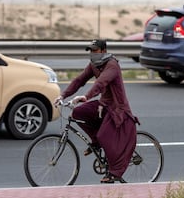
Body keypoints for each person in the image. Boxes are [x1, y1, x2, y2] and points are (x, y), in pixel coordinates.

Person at [54, 39, 138, 183]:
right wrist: (63, 95)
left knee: (104, 135)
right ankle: (96, 142)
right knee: (78, 113)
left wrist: (86, 96)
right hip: (103, 104)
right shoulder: (94, 65)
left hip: (117, 108)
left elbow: (101, 83)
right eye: (91, 51)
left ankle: (114, 172)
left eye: (95, 51)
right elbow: (79, 80)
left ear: (103, 51)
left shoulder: (112, 65)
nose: (92, 54)